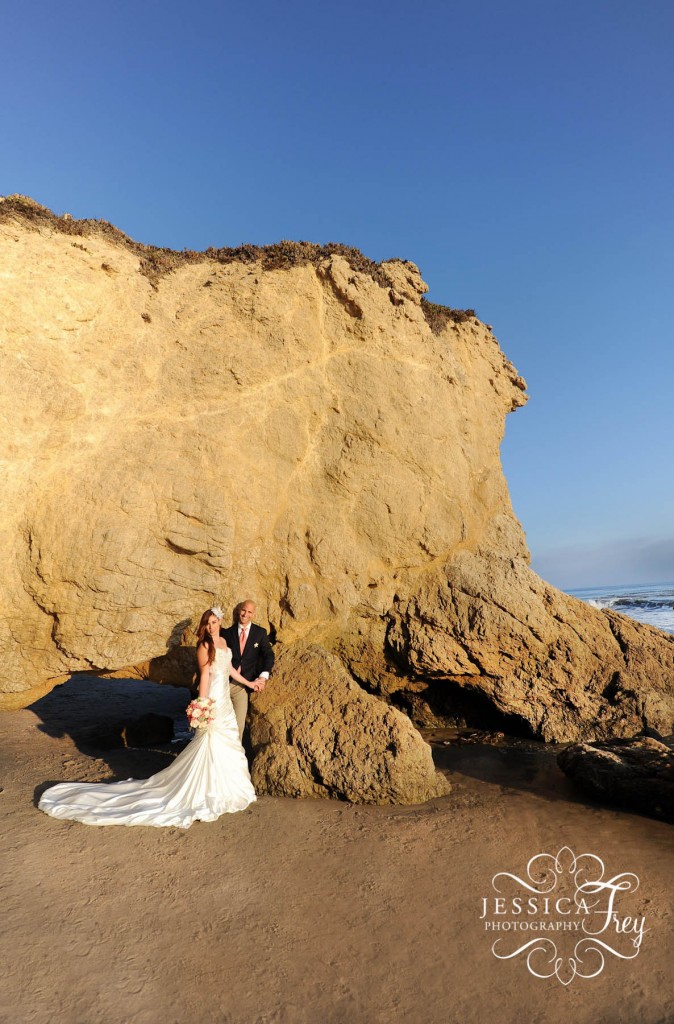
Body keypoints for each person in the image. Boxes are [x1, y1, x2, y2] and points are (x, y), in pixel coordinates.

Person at [38, 609, 258, 828]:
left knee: (227, 742)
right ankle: (206, 791)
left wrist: (249, 683)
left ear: (220, 622)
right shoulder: (204, 646)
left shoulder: (223, 642)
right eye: (207, 623)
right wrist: (202, 704)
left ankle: (224, 787)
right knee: (210, 742)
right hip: (213, 700)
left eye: (214, 622)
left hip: (225, 702)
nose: (211, 626)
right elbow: (204, 677)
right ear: (204, 626)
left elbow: (229, 669)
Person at [221, 600, 275, 741]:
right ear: (239, 610)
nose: (245, 614)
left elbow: (268, 655)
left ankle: (233, 755)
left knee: (239, 724)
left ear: (253, 614)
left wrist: (263, 677)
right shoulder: (227, 633)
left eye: (249, 612)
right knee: (221, 722)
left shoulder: (260, 633)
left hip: (244, 685)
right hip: (225, 682)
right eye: (244, 610)